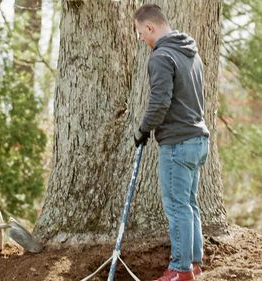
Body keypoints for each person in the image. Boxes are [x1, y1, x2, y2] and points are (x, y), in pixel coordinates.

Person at [133, 4, 210, 281]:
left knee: (178, 207)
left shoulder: (161, 56)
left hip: (177, 143)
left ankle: (180, 269)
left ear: (150, 27)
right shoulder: (191, 52)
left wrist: (142, 130)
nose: (141, 38)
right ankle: (194, 263)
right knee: (189, 203)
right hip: (198, 140)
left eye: (140, 32)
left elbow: (160, 102)